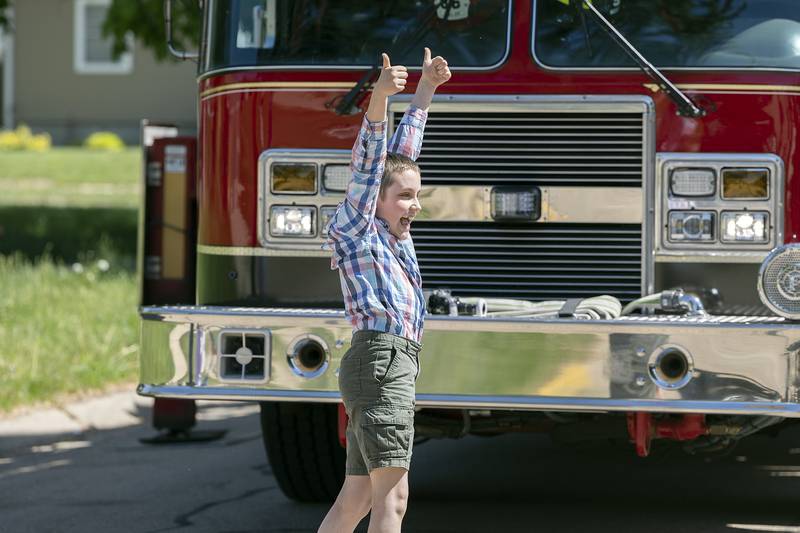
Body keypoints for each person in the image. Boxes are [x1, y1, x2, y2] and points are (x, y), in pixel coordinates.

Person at [319, 47, 451, 533]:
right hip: (382, 361)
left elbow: (401, 157)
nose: (413, 205)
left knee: (355, 499)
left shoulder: (394, 231)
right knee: (392, 500)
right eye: (404, 197)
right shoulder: (360, 225)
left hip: (385, 363)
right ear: (374, 198)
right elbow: (372, 159)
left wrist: (425, 91)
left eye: (418, 195)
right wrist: (379, 97)